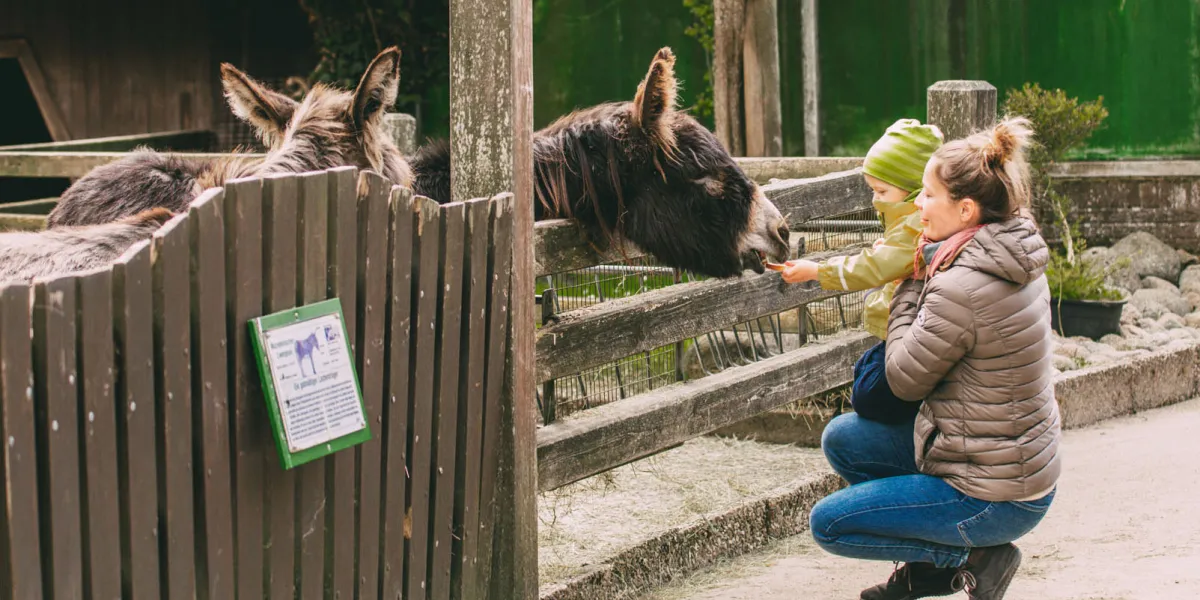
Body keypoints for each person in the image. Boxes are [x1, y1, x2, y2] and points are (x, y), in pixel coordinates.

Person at [808, 116, 1061, 600]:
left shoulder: (957, 283)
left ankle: (974, 557)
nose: (917, 205)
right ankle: (930, 571)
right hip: (1011, 468)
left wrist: (909, 281)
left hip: (995, 496)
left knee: (830, 524)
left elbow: (901, 379)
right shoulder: (1009, 245)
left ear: (965, 209)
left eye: (927, 195)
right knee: (844, 439)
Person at [782, 118, 943, 423]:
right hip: (896, 332)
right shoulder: (909, 225)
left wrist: (817, 271)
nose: (874, 200)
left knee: (867, 392)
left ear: (912, 191)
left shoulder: (914, 225)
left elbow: (871, 267)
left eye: (882, 192)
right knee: (863, 374)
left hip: (903, 333)